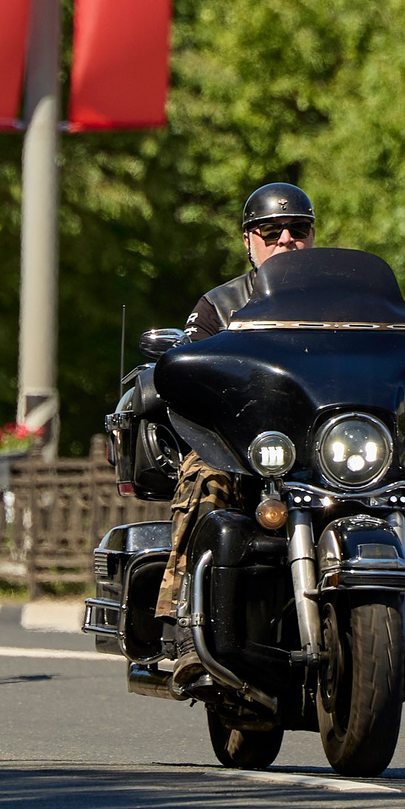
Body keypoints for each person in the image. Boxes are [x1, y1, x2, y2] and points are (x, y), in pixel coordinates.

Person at [155, 184, 317, 634]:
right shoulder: (220, 306)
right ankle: (187, 619)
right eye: (269, 229)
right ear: (248, 240)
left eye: (297, 229)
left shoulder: (350, 305)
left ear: (312, 236)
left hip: (323, 448)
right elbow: (185, 377)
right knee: (205, 478)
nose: (285, 239)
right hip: (240, 446)